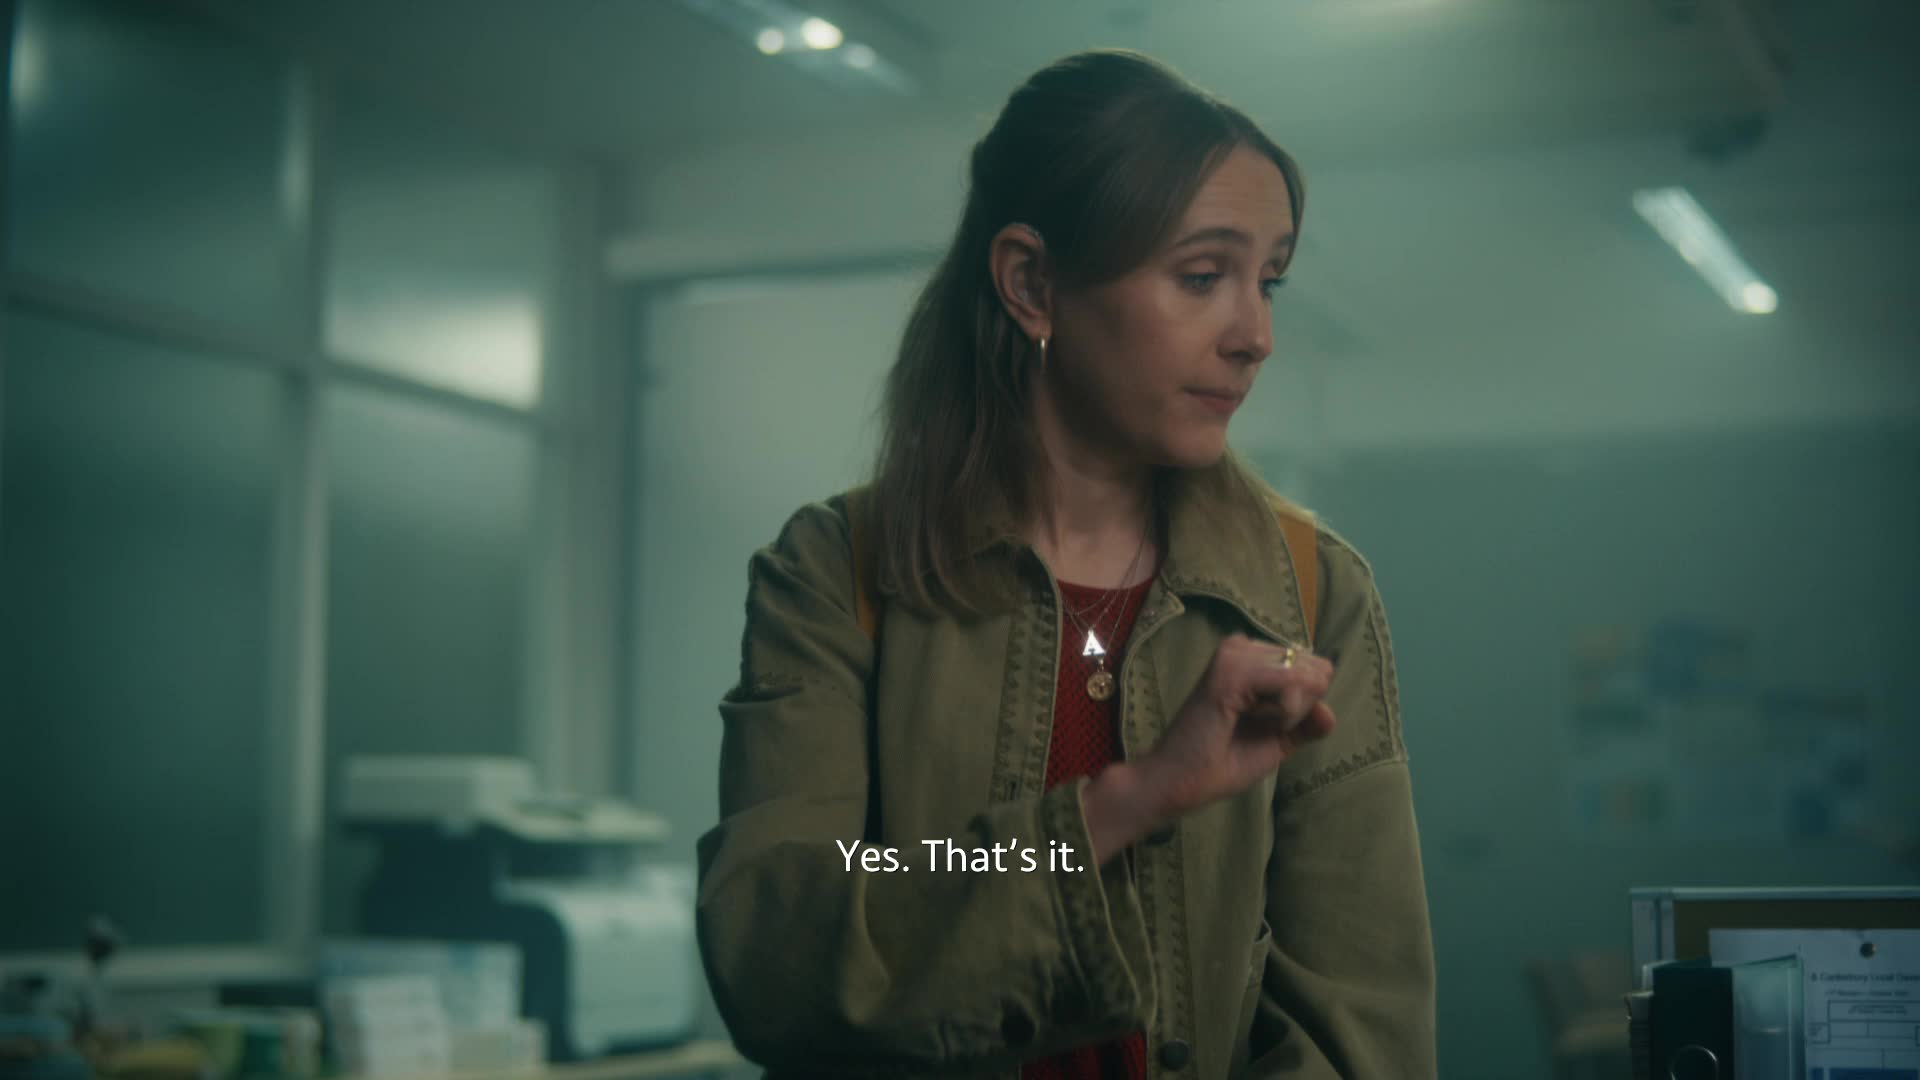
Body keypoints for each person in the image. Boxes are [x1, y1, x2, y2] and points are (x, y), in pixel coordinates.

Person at [695, 49, 1436, 1079]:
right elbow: (777, 954)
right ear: (1032, 284)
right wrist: (1127, 803)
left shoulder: (1313, 594)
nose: (1256, 335)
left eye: (1267, 280)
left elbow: (1361, 1036)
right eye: (1203, 276)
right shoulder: (837, 573)